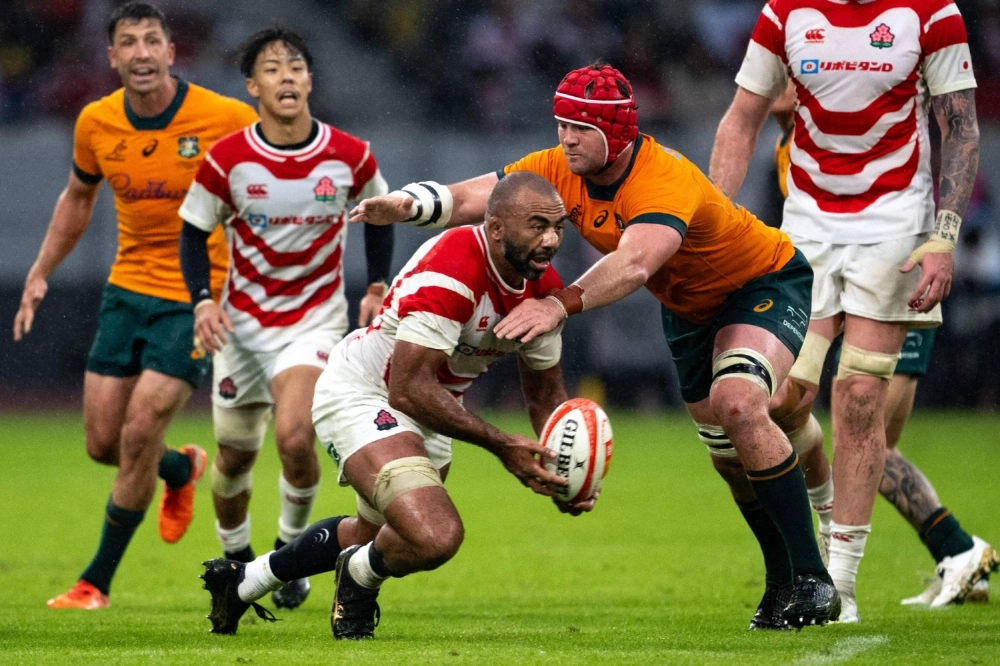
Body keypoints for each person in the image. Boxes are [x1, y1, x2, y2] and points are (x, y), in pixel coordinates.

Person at [350, 63, 839, 629]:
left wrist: (557, 304)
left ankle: (812, 579)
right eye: (561, 124)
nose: (565, 138)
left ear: (619, 132)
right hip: (688, 311)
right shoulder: (560, 168)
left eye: (581, 128)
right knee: (730, 462)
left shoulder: (662, 176)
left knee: (738, 404)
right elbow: (480, 198)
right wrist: (408, 205)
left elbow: (635, 263)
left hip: (760, 284)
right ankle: (782, 580)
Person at [201, 171, 585, 638]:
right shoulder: (456, 268)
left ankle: (242, 585)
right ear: (497, 227)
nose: (550, 240)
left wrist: (563, 470)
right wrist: (502, 444)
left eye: (559, 227)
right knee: (435, 535)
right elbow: (406, 388)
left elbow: (546, 396)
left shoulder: (543, 289)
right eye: (537, 226)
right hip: (366, 392)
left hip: (430, 408)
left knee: (376, 536)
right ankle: (358, 582)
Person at [710, 0, 997, 621]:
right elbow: (742, 117)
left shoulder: (932, 14)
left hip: (895, 229)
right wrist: (711, 223)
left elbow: (962, 127)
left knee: (860, 402)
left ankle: (837, 584)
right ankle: (828, 521)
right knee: (780, 400)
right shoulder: (784, 14)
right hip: (807, 231)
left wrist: (944, 236)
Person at [11, 2, 258, 610]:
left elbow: (273, 178)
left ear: (173, 53)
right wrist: (41, 272)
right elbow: (77, 197)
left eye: (153, 41)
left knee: (142, 426)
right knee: (104, 443)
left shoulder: (225, 117)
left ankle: (95, 582)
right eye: (129, 42)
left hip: (198, 296)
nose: (142, 52)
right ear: (112, 56)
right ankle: (180, 470)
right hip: (127, 290)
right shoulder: (96, 122)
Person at [178, 27, 394, 611]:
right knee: (234, 455)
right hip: (242, 328)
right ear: (252, 87)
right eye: (272, 69)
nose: (287, 77)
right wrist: (201, 299)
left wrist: (377, 284)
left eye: (296, 67)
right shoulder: (228, 160)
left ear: (310, 81)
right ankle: (236, 557)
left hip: (315, 323)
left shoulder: (350, 155)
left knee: (296, 437)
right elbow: (194, 230)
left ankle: (286, 556)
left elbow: (379, 213)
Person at [770, 87, 991, 605]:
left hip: (893, 279)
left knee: (866, 438)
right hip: (839, 287)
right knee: (811, 415)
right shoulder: (797, 147)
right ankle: (958, 552)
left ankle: (955, 549)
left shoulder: (861, 127)